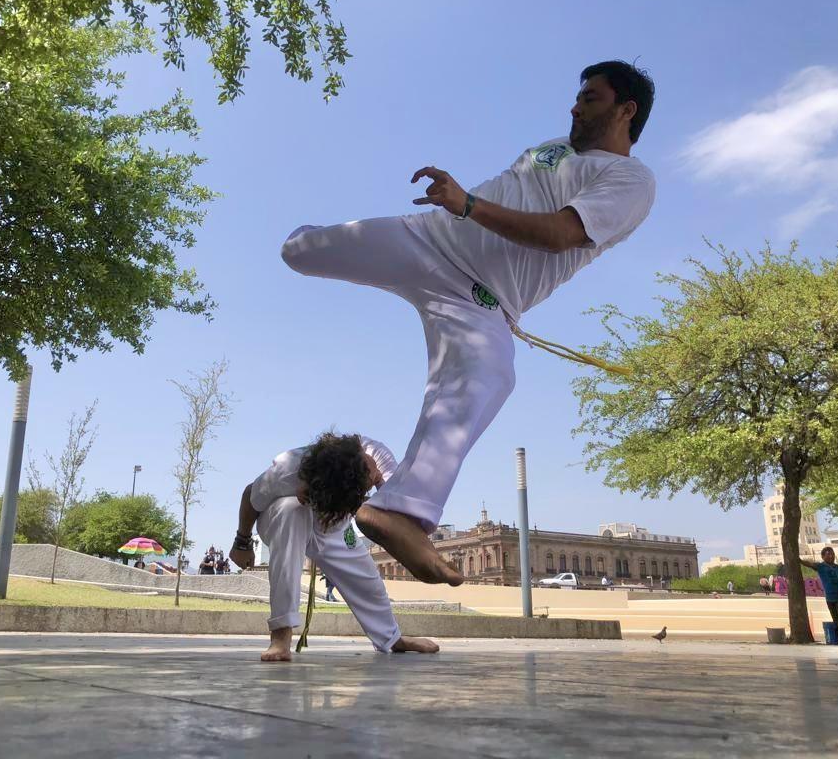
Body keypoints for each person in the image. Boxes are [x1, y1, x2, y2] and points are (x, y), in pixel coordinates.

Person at [281, 61, 656, 584]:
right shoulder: (555, 146)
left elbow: (562, 233)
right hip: (432, 239)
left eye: (590, 98)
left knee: (491, 375)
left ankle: (401, 511)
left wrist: (469, 204)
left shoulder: (630, 180)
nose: (574, 106)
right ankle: (307, 239)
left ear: (626, 109)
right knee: (298, 249)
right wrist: (459, 211)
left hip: (481, 300)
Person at [228, 431, 440, 662]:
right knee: (292, 512)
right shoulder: (289, 469)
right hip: (281, 519)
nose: (375, 474)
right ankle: (281, 635)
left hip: (334, 517)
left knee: (365, 573)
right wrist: (242, 542)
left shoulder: (381, 458)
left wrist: (378, 484)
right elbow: (251, 494)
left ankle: (391, 638)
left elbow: (398, 519)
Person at [800, 547, 838, 645]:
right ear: (822, 556)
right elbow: (809, 564)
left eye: (832, 554)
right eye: (828, 554)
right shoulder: (821, 567)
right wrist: (799, 560)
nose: (831, 556)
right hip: (830, 597)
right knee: (837, 619)